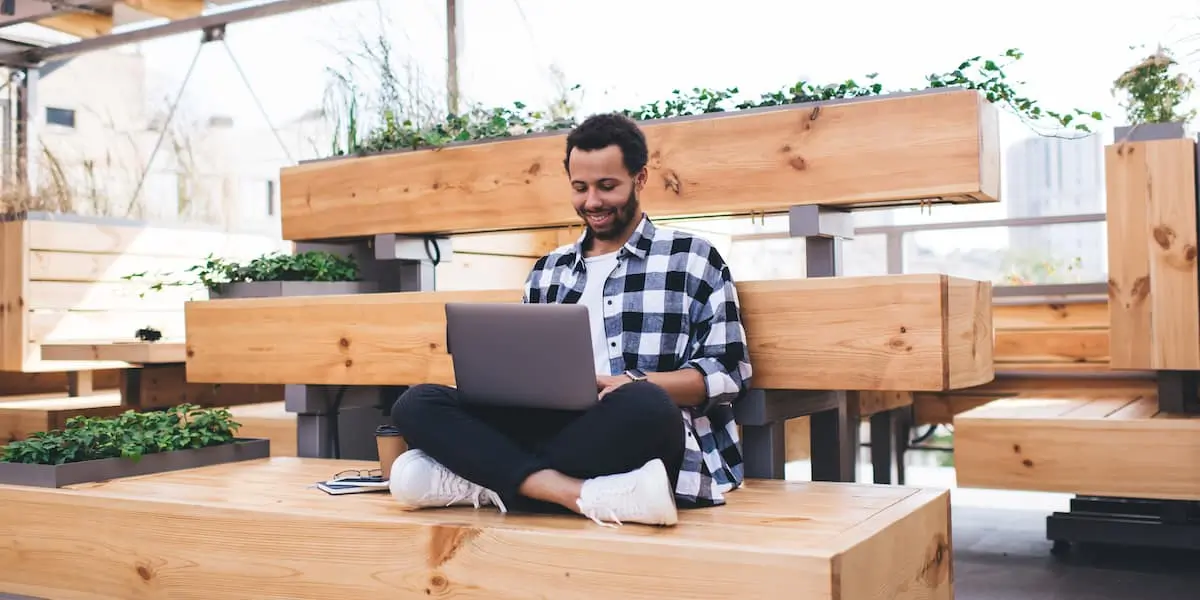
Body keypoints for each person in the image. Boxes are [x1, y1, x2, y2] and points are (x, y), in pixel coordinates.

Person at [386, 112, 753, 527]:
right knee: (417, 402)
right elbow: (523, 373)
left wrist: (630, 382)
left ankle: (487, 482)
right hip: (552, 427)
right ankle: (576, 494)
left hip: (629, 426)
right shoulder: (548, 270)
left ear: (640, 179)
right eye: (580, 188)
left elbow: (729, 373)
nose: (592, 202)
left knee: (648, 404)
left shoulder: (692, 258)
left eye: (607, 186)